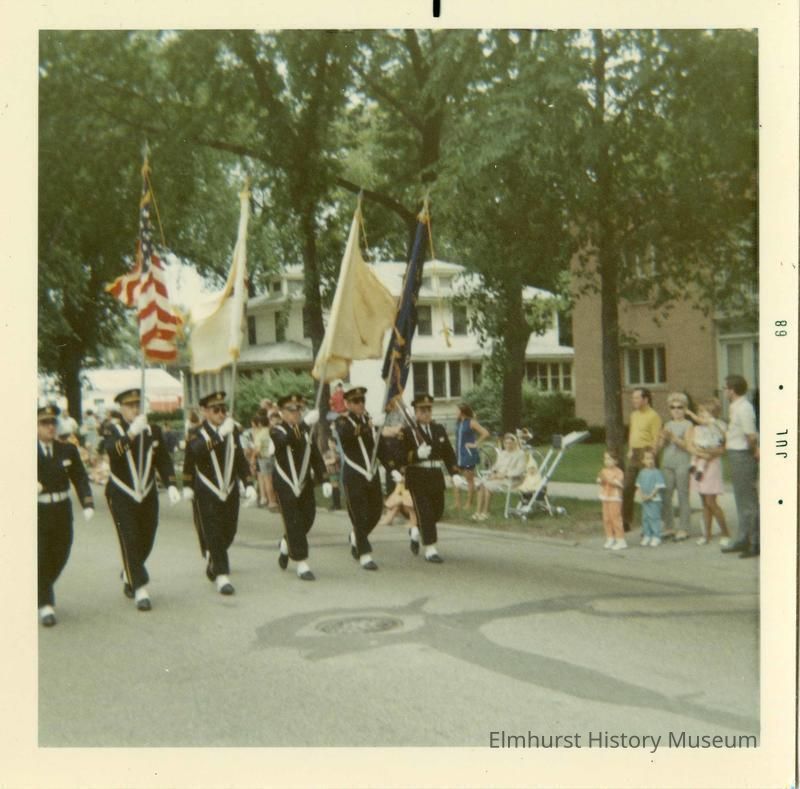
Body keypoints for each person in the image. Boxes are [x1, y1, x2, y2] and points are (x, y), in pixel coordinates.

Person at [103, 389, 180, 611]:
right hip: (122, 493)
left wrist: (171, 484)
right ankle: (139, 588)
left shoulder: (152, 430)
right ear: (121, 408)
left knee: (147, 536)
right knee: (130, 538)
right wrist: (130, 434)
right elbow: (113, 452)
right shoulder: (112, 430)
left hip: (147, 492)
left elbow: (162, 459)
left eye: (138, 405)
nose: (135, 409)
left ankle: (130, 571)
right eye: (130, 406)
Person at [182, 392, 256, 596]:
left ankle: (214, 561)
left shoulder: (232, 431)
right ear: (205, 412)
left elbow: (239, 458)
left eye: (224, 409)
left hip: (229, 489)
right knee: (213, 531)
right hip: (206, 489)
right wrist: (187, 484)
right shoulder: (196, 432)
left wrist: (248, 483)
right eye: (216, 410)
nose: (221, 414)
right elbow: (195, 453)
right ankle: (222, 576)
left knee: (229, 532)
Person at [37, 404, 95, 627]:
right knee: (42, 555)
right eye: (44, 423)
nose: (50, 427)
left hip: (62, 509)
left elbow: (79, 476)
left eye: (53, 422)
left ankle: (38, 587)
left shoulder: (67, 450)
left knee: (61, 552)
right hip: (39, 511)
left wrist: (87, 502)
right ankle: (45, 604)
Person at [398, 394, 463, 563]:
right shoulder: (407, 432)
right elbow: (399, 456)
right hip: (417, 476)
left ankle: (415, 530)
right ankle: (430, 548)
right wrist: (416, 454)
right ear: (416, 412)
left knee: (437, 512)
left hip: (435, 475)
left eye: (429, 409)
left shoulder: (438, 429)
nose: (426, 413)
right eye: (422, 410)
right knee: (425, 513)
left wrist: (454, 473)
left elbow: (448, 453)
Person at [271, 393, 327, 580]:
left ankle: (286, 544)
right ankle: (302, 562)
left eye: (299, 409)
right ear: (282, 412)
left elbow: (315, 455)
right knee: (293, 520)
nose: (296, 413)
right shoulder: (277, 430)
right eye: (291, 409)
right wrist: (304, 425)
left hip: (304, 482)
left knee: (308, 517)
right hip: (285, 483)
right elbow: (284, 441)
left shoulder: (306, 430)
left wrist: (324, 478)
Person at [334, 386, 387, 570]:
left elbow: (379, 446)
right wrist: (370, 426)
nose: (360, 404)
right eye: (356, 401)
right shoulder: (342, 421)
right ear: (348, 404)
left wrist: (393, 467)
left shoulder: (369, 420)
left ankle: (356, 536)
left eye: (362, 400)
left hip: (371, 473)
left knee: (376, 511)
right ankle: (365, 554)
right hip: (354, 474)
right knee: (359, 514)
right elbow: (348, 434)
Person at [720, 375, 760, 558]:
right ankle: (743, 538)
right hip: (735, 454)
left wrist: (754, 451)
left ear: (732, 390)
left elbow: (750, 435)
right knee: (741, 500)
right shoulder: (735, 407)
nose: (724, 391)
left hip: (743, 455)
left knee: (748, 501)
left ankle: (755, 542)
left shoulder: (744, 408)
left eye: (725, 388)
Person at [685, 398, 731, 547]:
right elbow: (691, 446)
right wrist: (701, 453)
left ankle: (726, 533)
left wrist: (709, 453)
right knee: (704, 503)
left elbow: (723, 447)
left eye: (704, 412)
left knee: (711, 502)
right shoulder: (696, 429)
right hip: (699, 464)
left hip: (712, 465)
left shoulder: (717, 426)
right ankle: (707, 534)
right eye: (700, 412)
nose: (701, 415)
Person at [622, 387, 662, 533]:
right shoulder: (634, 415)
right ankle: (625, 521)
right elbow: (632, 433)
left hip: (647, 452)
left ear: (646, 399)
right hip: (634, 453)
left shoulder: (654, 416)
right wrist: (630, 449)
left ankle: (650, 525)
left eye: (636, 398)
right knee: (627, 486)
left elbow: (656, 438)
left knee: (648, 489)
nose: (633, 400)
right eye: (633, 398)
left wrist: (651, 457)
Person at [657, 393, 693, 541]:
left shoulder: (688, 425)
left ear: (685, 409)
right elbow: (660, 445)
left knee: (683, 495)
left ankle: (684, 528)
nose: (676, 410)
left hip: (682, 462)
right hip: (667, 462)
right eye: (673, 407)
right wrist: (662, 439)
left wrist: (673, 438)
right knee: (666, 495)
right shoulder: (667, 424)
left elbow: (688, 446)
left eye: (680, 407)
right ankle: (669, 526)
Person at [471, 433, 527, 521]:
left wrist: (503, 475)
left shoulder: (520, 454)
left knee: (487, 486)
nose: (508, 445)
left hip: (512, 480)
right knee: (481, 484)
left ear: (515, 443)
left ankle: (486, 512)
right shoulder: (503, 453)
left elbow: (520, 471)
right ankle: (478, 511)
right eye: (506, 443)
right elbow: (496, 466)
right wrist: (492, 472)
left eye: (510, 443)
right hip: (498, 478)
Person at [452, 403, 490, 513]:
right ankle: (457, 503)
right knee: (454, 477)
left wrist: (475, 444)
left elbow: (485, 433)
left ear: (462, 412)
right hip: (459, 454)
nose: (455, 412)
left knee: (469, 479)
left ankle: (469, 503)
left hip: (468, 454)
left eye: (457, 410)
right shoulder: (459, 422)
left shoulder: (471, 422)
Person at [596, 448, 626, 550]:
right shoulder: (603, 471)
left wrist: (608, 479)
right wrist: (601, 480)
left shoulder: (619, 472)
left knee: (615, 518)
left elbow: (618, 484)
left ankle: (620, 539)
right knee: (606, 518)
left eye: (609, 459)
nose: (607, 461)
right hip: (606, 496)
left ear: (615, 461)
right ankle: (610, 537)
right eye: (605, 459)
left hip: (614, 497)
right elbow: (600, 481)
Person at [635, 448, 666, 547]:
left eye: (652, 458)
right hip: (645, 499)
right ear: (643, 461)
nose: (650, 461)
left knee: (654, 517)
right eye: (647, 458)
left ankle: (656, 536)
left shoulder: (657, 472)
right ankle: (647, 534)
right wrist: (642, 495)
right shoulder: (642, 473)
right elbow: (638, 485)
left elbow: (658, 486)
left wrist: (650, 495)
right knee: (646, 518)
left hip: (654, 499)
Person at [253, 412, 279, 510]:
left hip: (263, 458)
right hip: (273, 457)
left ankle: (271, 501)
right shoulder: (272, 431)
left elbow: (258, 449)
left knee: (267, 481)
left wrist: (253, 458)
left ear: (260, 424)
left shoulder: (260, 434)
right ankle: (276, 499)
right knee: (274, 480)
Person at [322, 437, 342, 511]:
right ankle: (336, 504)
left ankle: (337, 504)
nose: (330, 445)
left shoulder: (337, 453)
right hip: (329, 472)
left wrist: (328, 461)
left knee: (335, 487)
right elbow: (324, 461)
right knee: (333, 488)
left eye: (332, 443)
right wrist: (328, 461)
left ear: (335, 444)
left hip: (335, 472)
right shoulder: (327, 453)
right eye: (329, 443)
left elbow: (334, 460)